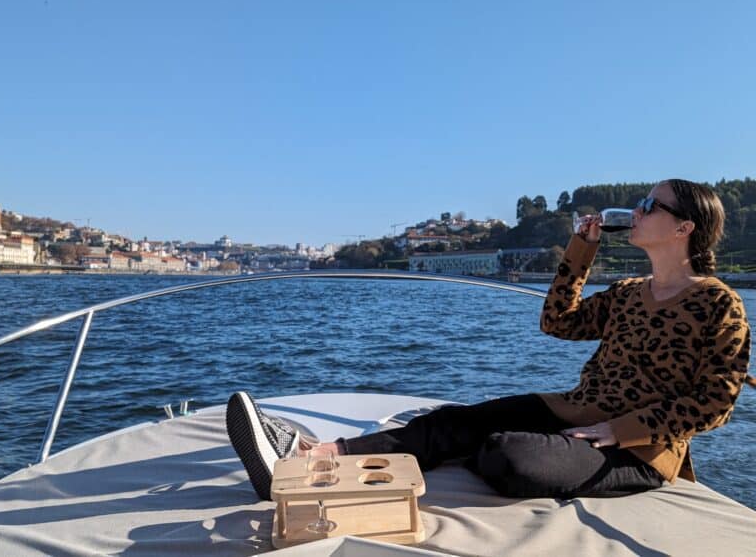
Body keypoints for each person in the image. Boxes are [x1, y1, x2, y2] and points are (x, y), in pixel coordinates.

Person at [226, 179, 752, 501]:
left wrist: (622, 428)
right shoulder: (629, 292)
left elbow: (716, 400)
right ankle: (313, 452)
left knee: (509, 457)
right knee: (454, 422)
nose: (636, 211)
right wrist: (581, 249)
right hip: (575, 410)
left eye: (649, 204)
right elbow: (558, 322)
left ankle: (462, 451)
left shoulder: (719, 303)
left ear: (685, 228)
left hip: (639, 449)